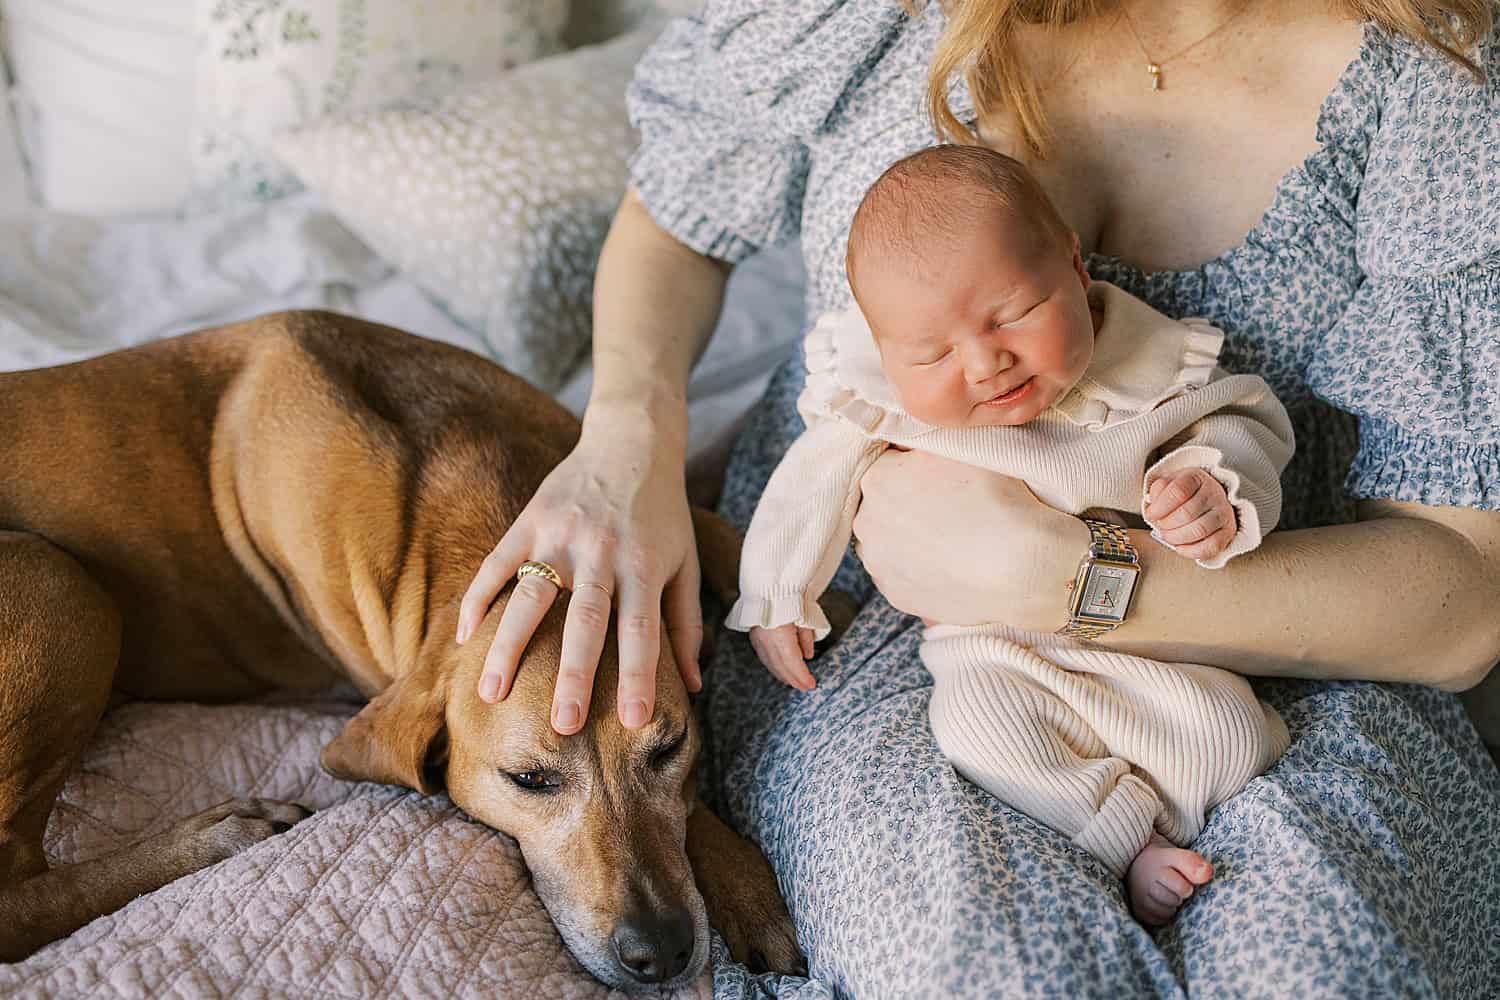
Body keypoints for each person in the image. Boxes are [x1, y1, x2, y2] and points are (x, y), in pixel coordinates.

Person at [455, 0, 1500, 993]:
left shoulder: (1437, 90)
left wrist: (1068, 577)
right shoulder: (880, 17)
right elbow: (678, 215)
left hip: (1289, 641)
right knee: (981, 961)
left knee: (1321, 965)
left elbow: (1465, 601)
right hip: (866, 637)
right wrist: (628, 435)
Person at [730, 144, 1294, 925]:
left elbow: (1247, 426)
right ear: (886, 348)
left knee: (1229, 735)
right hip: (992, 653)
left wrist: (1214, 486)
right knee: (975, 729)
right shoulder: (881, 400)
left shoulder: (1150, 373)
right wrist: (778, 590)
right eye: (932, 352)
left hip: (1149, 640)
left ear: (1072, 262)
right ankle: (1126, 840)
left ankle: (1193, 822)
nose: (986, 361)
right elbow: (809, 484)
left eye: (1013, 315)